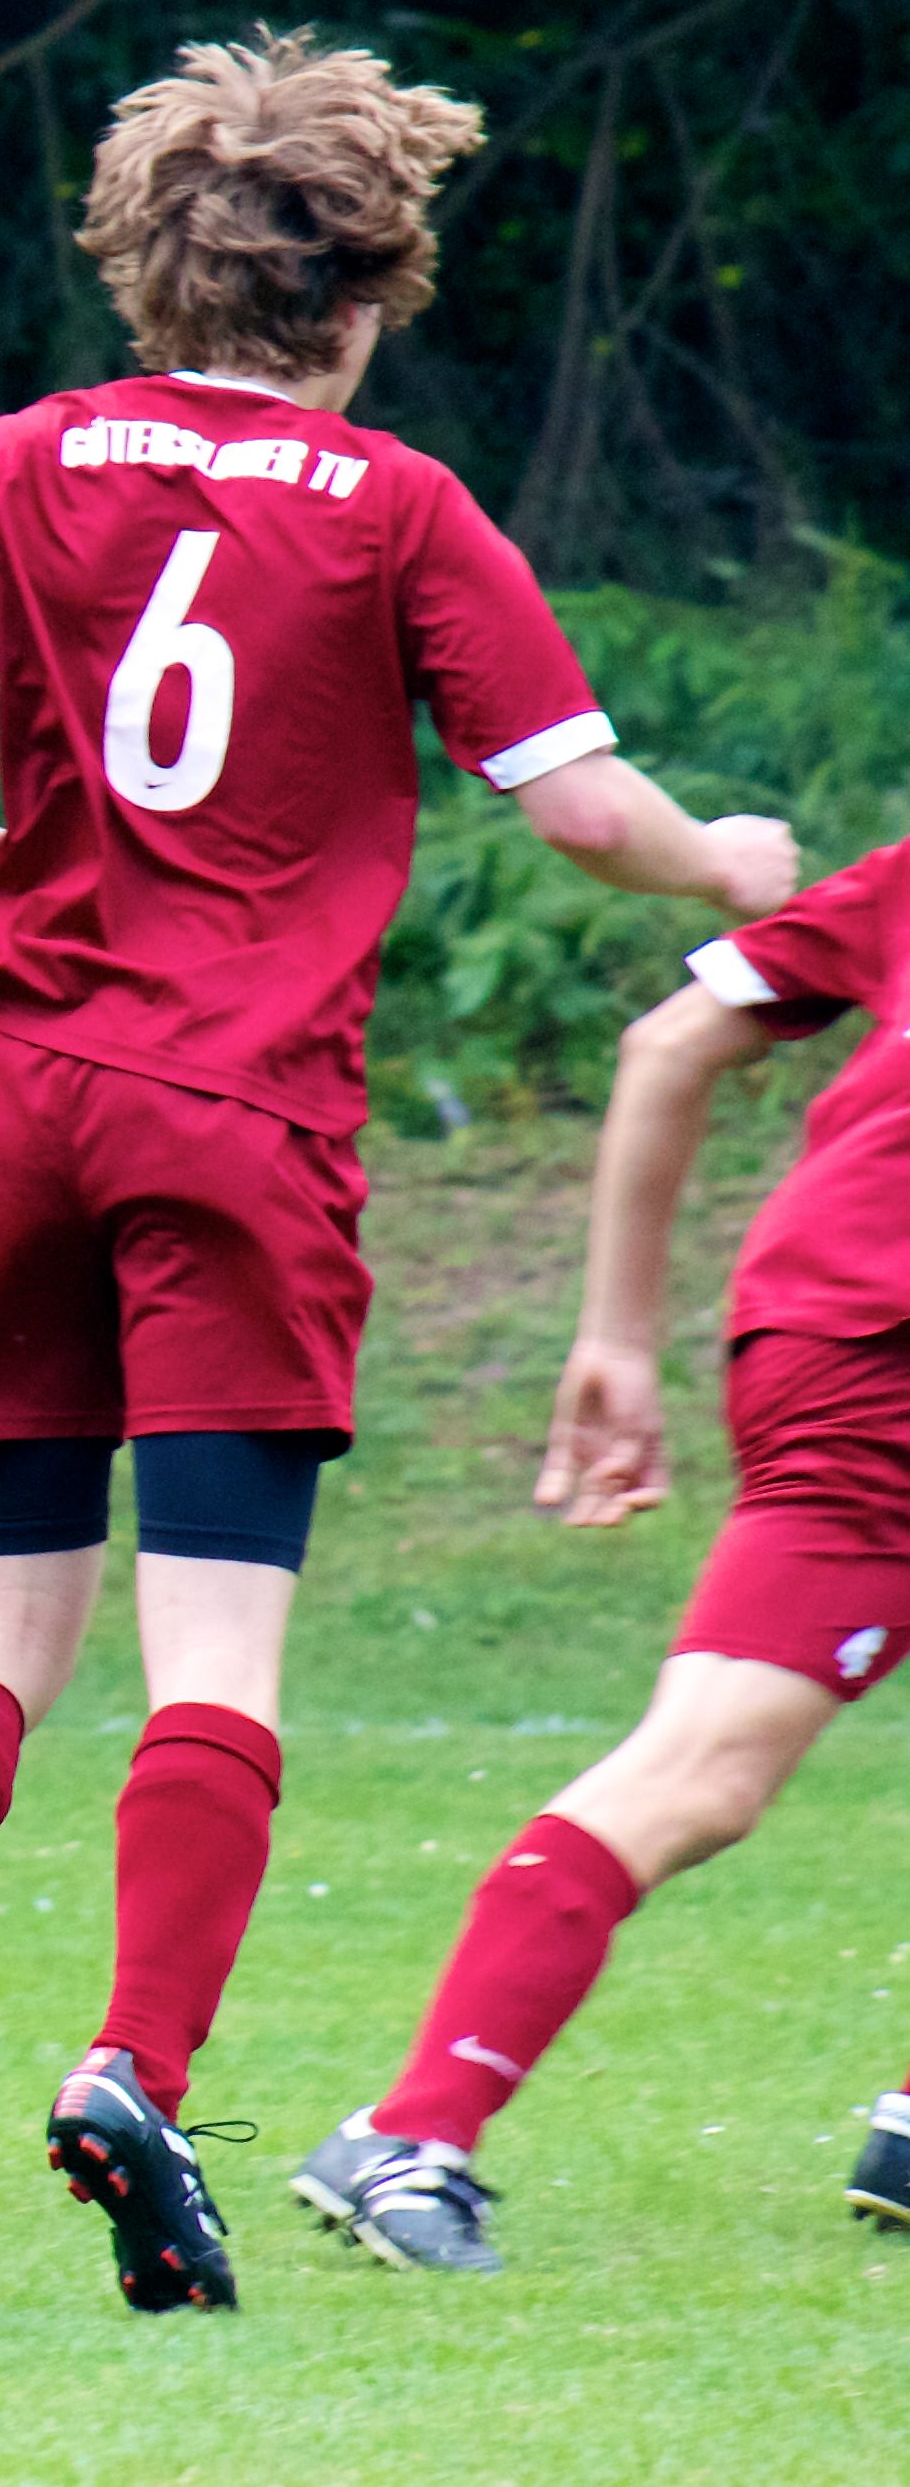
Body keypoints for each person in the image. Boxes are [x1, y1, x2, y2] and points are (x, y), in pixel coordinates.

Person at [0, 34, 796, 2313]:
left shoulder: (8, 461)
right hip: (234, 1112)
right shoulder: (394, 509)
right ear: (370, 284)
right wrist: (732, 859)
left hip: (8, 1087)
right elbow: (580, 811)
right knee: (210, 1650)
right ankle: (131, 2071)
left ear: (146, 261)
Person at [296, 842, 910, 2270]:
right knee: (705, 1765)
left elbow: (669, 1041)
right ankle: (407, 2133)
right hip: (880, 1355)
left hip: (825, 1325)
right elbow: (669, 1046)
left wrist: (619, 1336)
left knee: (711, 1766)